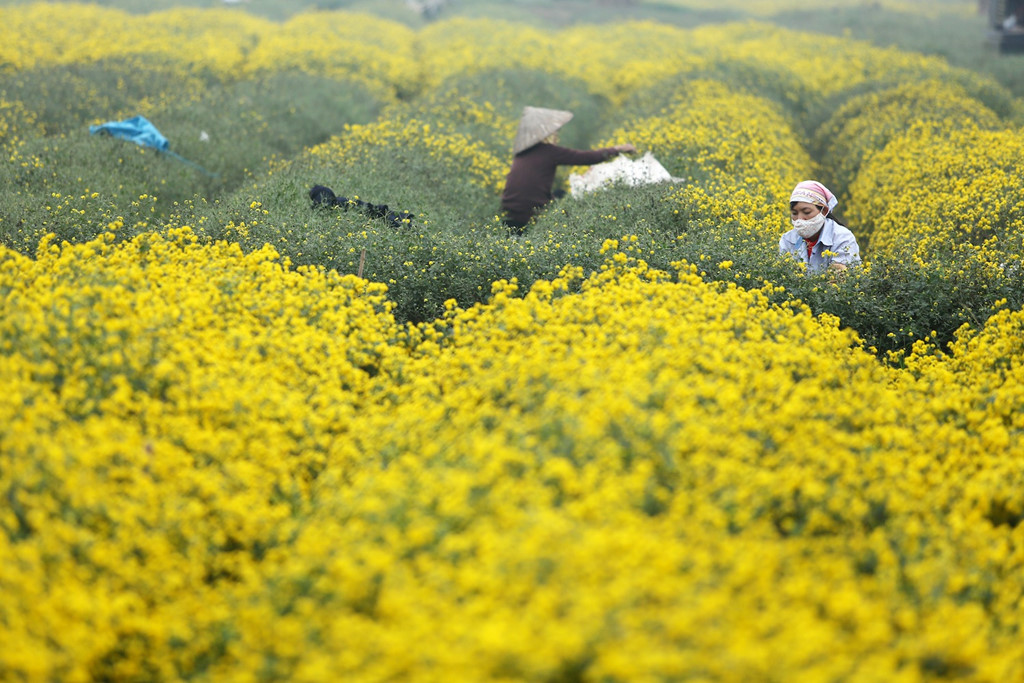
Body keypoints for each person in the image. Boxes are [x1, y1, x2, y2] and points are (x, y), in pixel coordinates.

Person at [500, 106, 636, 233]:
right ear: (546, 134)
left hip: (507, 216)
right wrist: (619, 149)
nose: (557, 136)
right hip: (530, 217)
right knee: (567, 200)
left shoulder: (520, 153)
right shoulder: (549, 152)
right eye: (555, 132)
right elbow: (587, 157)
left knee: (558, 194)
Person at [779, 180, 860, 273]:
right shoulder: (787, 240)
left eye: (806, 212)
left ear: (824, 211)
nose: (799, 219)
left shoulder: (842, 238)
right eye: (794, 213)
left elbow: (840, 281)